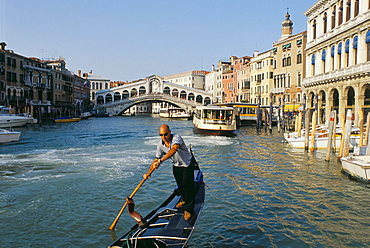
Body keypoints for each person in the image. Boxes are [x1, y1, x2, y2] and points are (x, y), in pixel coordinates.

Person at [143, 124, 195, 220]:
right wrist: (148, 173)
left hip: (187, 164)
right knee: (181, 185)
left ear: (170, 132)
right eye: (161, 135)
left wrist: (160, 161)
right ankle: (184, 199)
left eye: (165, 134)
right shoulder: (160, 144)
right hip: (176, 165)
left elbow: (174, 149)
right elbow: (156, 159)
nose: (164, 137)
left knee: (187, 187)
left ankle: (189, 209)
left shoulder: (176, 137)